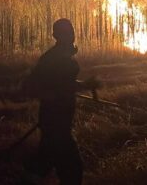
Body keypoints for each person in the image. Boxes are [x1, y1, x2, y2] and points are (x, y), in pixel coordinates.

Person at [22, 18, 98, 185]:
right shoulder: (51, 59)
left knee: (44, 163)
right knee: (72, 169)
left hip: (61, 122)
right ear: (55, 35)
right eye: (65, 32)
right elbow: (30, 86)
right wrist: (52, 95)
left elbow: (65, 84)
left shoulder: (65, 56)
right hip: (54, 122)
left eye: (71, 31)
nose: (70, 35)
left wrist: (85, 85)